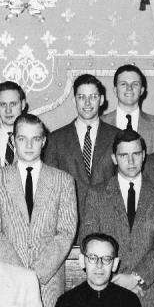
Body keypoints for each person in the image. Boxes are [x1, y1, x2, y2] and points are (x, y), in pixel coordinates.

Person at [0, 112, 77, 307]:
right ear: (13, 140)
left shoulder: (63, 180)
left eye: (35, 139)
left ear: (44, 141)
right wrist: (19, 274)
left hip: (47, 282)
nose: (29, 145)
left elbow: (66, 232)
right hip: (7, 277)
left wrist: (36, 274)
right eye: (22, 139)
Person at [81, 129, 154, 307]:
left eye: (136, 154)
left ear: (143, 156)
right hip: (108, 287)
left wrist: (136, 277)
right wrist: (113, 280)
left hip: (148, 290)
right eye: (124, 155)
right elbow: (89, 241)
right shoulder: (97, 194)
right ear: (114, 158)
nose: (131, 161)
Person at [44, 74, 120, 235]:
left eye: (93, 97)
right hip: (68, 228)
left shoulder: (117, 137)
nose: (87, 103)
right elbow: (49, 190)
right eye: (81, 97)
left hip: (109, 226)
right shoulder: (55, 139)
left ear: (101, 100)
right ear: (74, 100)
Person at [102, 64, 154, 153]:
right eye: (123, 84)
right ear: (115, 90)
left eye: (135, 84)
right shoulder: (100, 124)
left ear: (141, 90)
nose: (129, 88)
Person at [0, 81, 27, 166]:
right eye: (3, 104)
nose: (8, 110)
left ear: (23, 104)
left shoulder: (35, 139)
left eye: (13, 104)